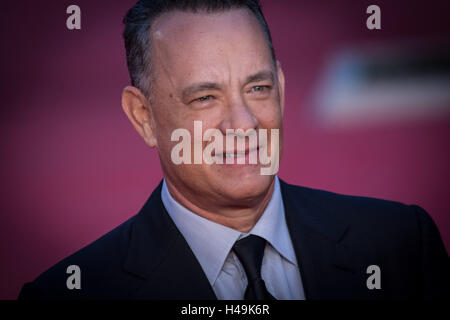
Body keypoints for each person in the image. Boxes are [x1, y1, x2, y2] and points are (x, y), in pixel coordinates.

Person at [19, 0, 449, 300]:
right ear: (143, 117)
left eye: (257, 88)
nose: (243, 124)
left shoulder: (400, 245)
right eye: (205, 97)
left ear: (280, 88)